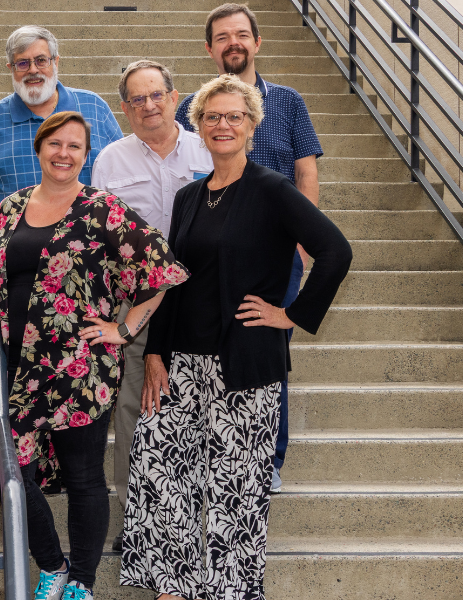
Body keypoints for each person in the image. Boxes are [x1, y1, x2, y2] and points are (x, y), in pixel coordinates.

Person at [121, 75, 351, 600]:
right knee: (164, 476)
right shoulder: (187, 198)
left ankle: (228, 592)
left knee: (236, 491)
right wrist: (155, 351)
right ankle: (172, 588)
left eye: (234, 116)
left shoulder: (273, 190)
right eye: (212, 116)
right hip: (180, 362)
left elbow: (336, 252)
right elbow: (173, 280)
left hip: (244, 364)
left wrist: (291, 314)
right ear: (197, 126)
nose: (222, 125)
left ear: (251, 125)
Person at [0, 111, 189, 600]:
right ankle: (51, 564)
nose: (63, 154)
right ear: (39, 148)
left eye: (75, 147)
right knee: (11, 471)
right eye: (55, 144)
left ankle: (81, 584)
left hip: (80, 365)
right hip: (15, 365)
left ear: (86, 157)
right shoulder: (8, 208)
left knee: (85, 477)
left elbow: (162, 269)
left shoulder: (103, 209)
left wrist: (125, 328)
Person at [175, 3, 325, 489]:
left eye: (242, 34)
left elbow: (306, 172)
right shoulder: (189, 108)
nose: (233, 42)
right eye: (222, 36)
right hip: (216, 245)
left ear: (256, 42)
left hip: (275, 251)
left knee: (266, 349)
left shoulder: (287, 101)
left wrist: (301, 248)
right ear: (210, 48)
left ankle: (269, 459)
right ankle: (214, 447)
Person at [90, 59, 213, 551]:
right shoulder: (110, 161)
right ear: (124, 108)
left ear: (174, 95)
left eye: (156, 94)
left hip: (206, 303)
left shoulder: (209, 146)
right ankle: (136, 522)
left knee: (205, 407)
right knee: (133, 410)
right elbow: (99, 241)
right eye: (136, 99)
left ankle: (200, 519)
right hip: (136, 306)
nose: (148, 105)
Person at [0, 25, 123, 261]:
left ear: (55, 62)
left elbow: (122, 166)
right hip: (16, 260)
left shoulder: (94, 108)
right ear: (11, 68)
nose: (33, 70)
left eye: (41, 60)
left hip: (91, 255)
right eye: (23, 63)